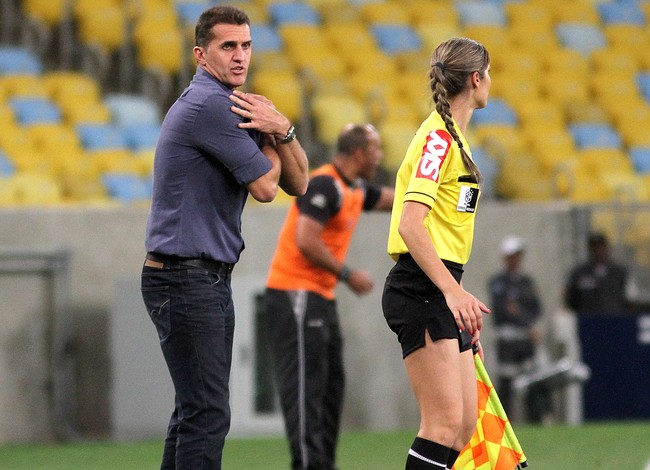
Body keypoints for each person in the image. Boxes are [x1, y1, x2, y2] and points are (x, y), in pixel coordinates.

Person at [140, 5, 309, 469]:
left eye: (247, 45)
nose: (240, 56)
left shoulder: (230, 103)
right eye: (228, 46)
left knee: (195, 412)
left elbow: (301, 183)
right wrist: (276, 134)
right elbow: (269, 188)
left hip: (197, 277)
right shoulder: (210, 104)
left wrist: (284, 131)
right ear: (201, 54)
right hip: (185, 276)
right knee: (208, 414)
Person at [381, 37, 492, 470]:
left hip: (442, 288)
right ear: (477, 79)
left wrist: (458, 298)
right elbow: (411, 224)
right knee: (443, 426)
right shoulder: (438, 141)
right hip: (422, 289)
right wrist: (452, 293)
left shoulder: (454, 138)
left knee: (463, 427)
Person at [264, 123, 394, 470]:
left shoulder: (352, 188)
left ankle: (323, 464)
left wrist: (435, 193)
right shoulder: (323, 183)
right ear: (358, 154)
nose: (380, 156)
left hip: (319, 297)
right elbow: (306, 240)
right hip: (295, 295)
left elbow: (391, 199)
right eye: (376, 149)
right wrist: (348, 275)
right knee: (306, 390)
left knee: (331, 388)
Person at [488, 235, 551, 424]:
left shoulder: (526, 282)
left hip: (525, 339)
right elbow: (504, 310)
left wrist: (529, 324)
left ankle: (535, 420)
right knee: (506, 382)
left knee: (532, 380)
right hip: (507, 340)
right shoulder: (497, 282)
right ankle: (503, 423)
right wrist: (524, 320)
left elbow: (536, 308)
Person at [565, 231, 629, 315]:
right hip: (588, 321)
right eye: (595, 248)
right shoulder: (580, 273)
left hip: (613, 320)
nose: (598, 251)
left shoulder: (619, 272)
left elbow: (627, 298)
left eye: (601, 247)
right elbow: (571, 300)